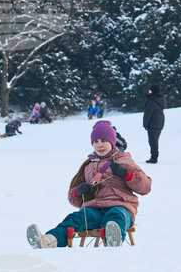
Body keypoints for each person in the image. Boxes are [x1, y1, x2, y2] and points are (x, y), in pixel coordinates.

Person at [26, 120, 152, 248]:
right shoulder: (88, 166)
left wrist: (126, 174)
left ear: (112, 142)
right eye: (95, 141)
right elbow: (73, 199)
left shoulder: (124, 161)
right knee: (75, 219)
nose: (99, 145)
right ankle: (48, 240)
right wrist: (78, 192)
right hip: (94, 209)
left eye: (103, 140)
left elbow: (146, 187)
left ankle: (113, 238)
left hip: (121, 206)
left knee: (115, 216)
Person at [142, 84, 165, 164]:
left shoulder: (151, 101)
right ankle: (154, 156)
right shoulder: (160, 99)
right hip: (160, 121)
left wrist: (145, 124)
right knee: (155, 140)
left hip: (153, 122)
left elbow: (148, 113)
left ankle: (154, 157)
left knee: (153, 141)